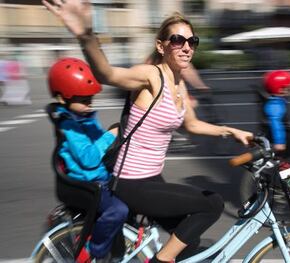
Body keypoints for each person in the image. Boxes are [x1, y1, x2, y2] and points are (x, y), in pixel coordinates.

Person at [42, 1, 253, 262]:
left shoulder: (179, 85)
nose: (187, 47)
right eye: (178, 40)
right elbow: (107, 73)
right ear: (161, 46)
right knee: (212, 204)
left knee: (188, 240)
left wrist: (231, 131)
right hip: (131, 183)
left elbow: (192, 124)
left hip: (153, 179)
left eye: (192, 41)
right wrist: (86, 34)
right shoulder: (151, 76)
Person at [47, 57, 129, 262]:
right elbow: (90, 158)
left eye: (90, 100)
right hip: (86, 182)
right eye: (83, 101)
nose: (88, 105)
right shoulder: (70, 125)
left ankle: (117, 245)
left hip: (98, 177)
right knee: (118, 210)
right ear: (62, 98)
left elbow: (101, 145)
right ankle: (98, 252)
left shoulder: (83, 117)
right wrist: (110, 134)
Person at [262, 70, 290, 153]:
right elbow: (276, 123)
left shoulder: (277, 102)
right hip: (283, 143)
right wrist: (279, 142)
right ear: (281, 90)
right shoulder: (275, 105)